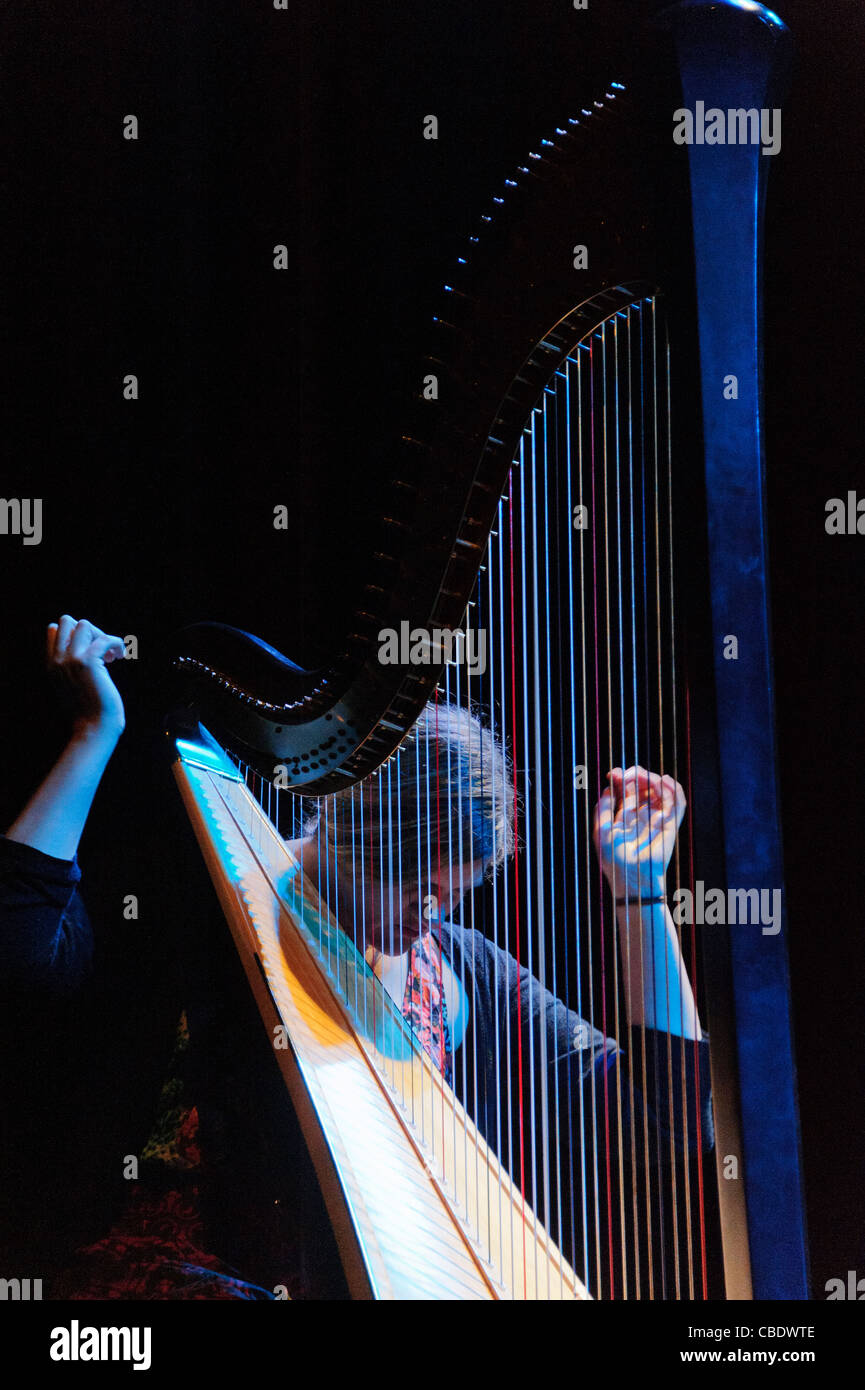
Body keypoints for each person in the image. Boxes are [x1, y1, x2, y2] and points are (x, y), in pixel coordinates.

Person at [1, 615, 711, 1298]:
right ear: (353, 836)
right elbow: (23, 959)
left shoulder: (461, 972)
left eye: (451, 895)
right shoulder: (221, 902)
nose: (429, 917)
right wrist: (95, 735)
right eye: (416, 887)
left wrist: (639, 893)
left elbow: (669, 1117)